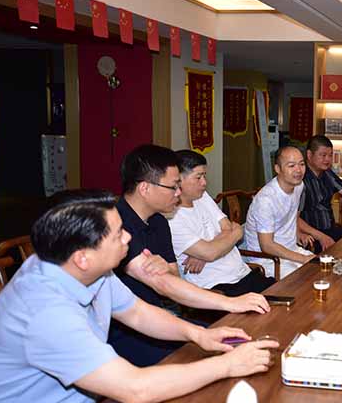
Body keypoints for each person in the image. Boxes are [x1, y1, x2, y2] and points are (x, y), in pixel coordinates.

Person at [0, 190, 278, 403]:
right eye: (118, 234)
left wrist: (199, 334)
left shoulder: (85, 269)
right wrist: (228, 365)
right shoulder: (44, 310)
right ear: (82, 257)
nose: (128, 237)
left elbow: (138, 313)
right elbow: (134, 388)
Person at [110, 144, 269, 367]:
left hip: (156, 318)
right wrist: (230, 303)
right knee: (215, 356)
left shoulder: (158, 222)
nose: (178, 193)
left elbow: (172, 277)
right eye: (173, 186)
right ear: (145, 188)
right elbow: (163, 285)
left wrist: (165, 271)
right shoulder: (118, 224)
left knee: (239, 340)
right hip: (125, 331)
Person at [168, 149, 274, 295]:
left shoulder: (202, 196)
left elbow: (233, 229)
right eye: (198, 177)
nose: (204, 183)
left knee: (290, 293)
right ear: (178, 179)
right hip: (218, 287)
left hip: (244, 274)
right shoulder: (172, 218)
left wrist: (208, 252)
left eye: (204, 176)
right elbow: (215, 248)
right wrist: (211, 251)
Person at [242, 146, 314, 278]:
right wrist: (303, 259)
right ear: (277, 169)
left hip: (291, 250)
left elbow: (291, 215)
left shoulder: (299, 186)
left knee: (322, 268)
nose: (298, 170)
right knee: (304, 279)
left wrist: (298, 232)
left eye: (302, 164)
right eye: (291, 165)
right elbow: (267, 245)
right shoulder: (265, 200)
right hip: (267, 259)